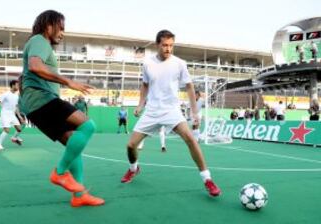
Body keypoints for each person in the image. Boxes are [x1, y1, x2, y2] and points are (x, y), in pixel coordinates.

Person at [120, 30, 221, 197]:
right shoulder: (147, 64)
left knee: (191, 139)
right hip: (152, 110)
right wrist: (140, 105)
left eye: (171, 45)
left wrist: (195, 111)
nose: (168, 49)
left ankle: (207, 180)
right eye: (165, 45)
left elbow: (189, 86)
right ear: (158, 44)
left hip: (171, 110)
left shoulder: (180, 63)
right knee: (131, 146)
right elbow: (145, 85)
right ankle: (133, 169)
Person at [19, 10, 104, 207]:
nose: (62, 33)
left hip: (36, 104)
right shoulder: (40, 40)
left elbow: (26, 73)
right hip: (42, 100)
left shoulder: (39, 43)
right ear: (49, 25)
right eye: (61, 28)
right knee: (88, 125)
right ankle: (59, 173)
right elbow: (34, 66)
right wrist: (68, 82)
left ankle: (79, 195)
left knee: (73, 145)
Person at [0, 80, 25, 150]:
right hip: (5, 114)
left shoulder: (16, 96)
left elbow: (16, 107)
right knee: (7, 130)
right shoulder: (6, 94)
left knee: (19, 129)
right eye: (17, 85)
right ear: (13, 85)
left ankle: (14, 137)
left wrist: (19, 117)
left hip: (12, 115)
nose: (18, 86)